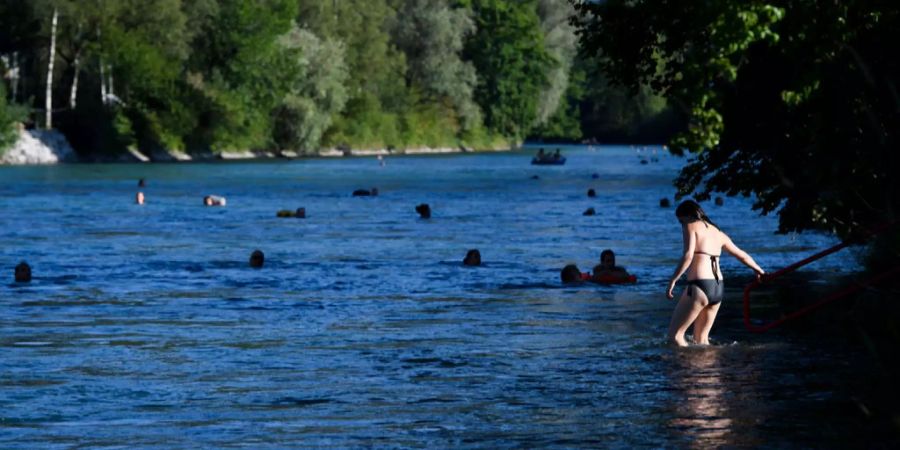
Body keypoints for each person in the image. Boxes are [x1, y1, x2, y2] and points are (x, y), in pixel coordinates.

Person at [665, 200, 765, 346]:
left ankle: (683, 368)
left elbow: (688, 256)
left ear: (687, 216)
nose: (681, 224)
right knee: (701, 340)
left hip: (699, 285)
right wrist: (759, 270)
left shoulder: (690, 225)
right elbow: (741, 254)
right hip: (717, 287)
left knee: (675, 336)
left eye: (680, 221)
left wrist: (673, 280)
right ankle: (707, 369)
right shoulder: (718, 232)